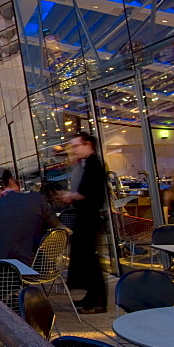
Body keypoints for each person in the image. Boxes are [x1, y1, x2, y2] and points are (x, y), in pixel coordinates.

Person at [59, 131, 107, 313]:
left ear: (88, 144)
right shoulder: (86, 164)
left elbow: (90, 194)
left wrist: (71, 195)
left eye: (77, 145)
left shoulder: (93, 165)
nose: (74, 149)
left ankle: (97, 302)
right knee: (88, 260)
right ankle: (91, 297)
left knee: (92, 261)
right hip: (85, 218)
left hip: (90, 219)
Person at [0, 170, 62, 267]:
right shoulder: (37, 199)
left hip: (3, 267)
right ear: (11, 181)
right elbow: (54, 223)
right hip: (37, 265)